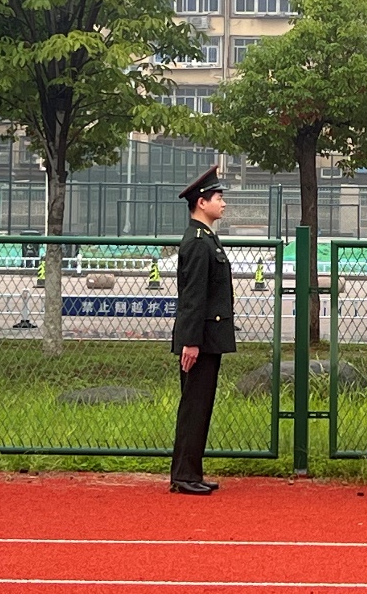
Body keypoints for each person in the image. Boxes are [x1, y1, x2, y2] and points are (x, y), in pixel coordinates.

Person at [169, 166, 235, 495]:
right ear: (201, 202)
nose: (223, 203)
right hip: (200, 341)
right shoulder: (198, 243)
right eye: (218, 197)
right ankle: (184, 474)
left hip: (208, 339)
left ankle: (191, 472)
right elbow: (193, 298)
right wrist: (191, 342)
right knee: (194, 407)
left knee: (200, 405)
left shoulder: (206, 238)